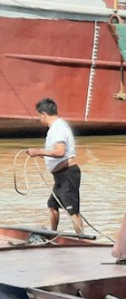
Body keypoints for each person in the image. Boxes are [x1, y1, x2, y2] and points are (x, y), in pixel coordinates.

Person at [28, 98, 84, 234]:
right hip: (60, 175)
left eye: (39, 116)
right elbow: (57, 151)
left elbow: (60, 151)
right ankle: (52, 233)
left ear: (43, 115)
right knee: (52, 205)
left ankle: (82, 238)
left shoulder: (57, 128)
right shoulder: (59, 125)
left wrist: (39, 151)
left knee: (72, 210)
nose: (39, 119)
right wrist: (46, 154)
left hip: (67, 173)